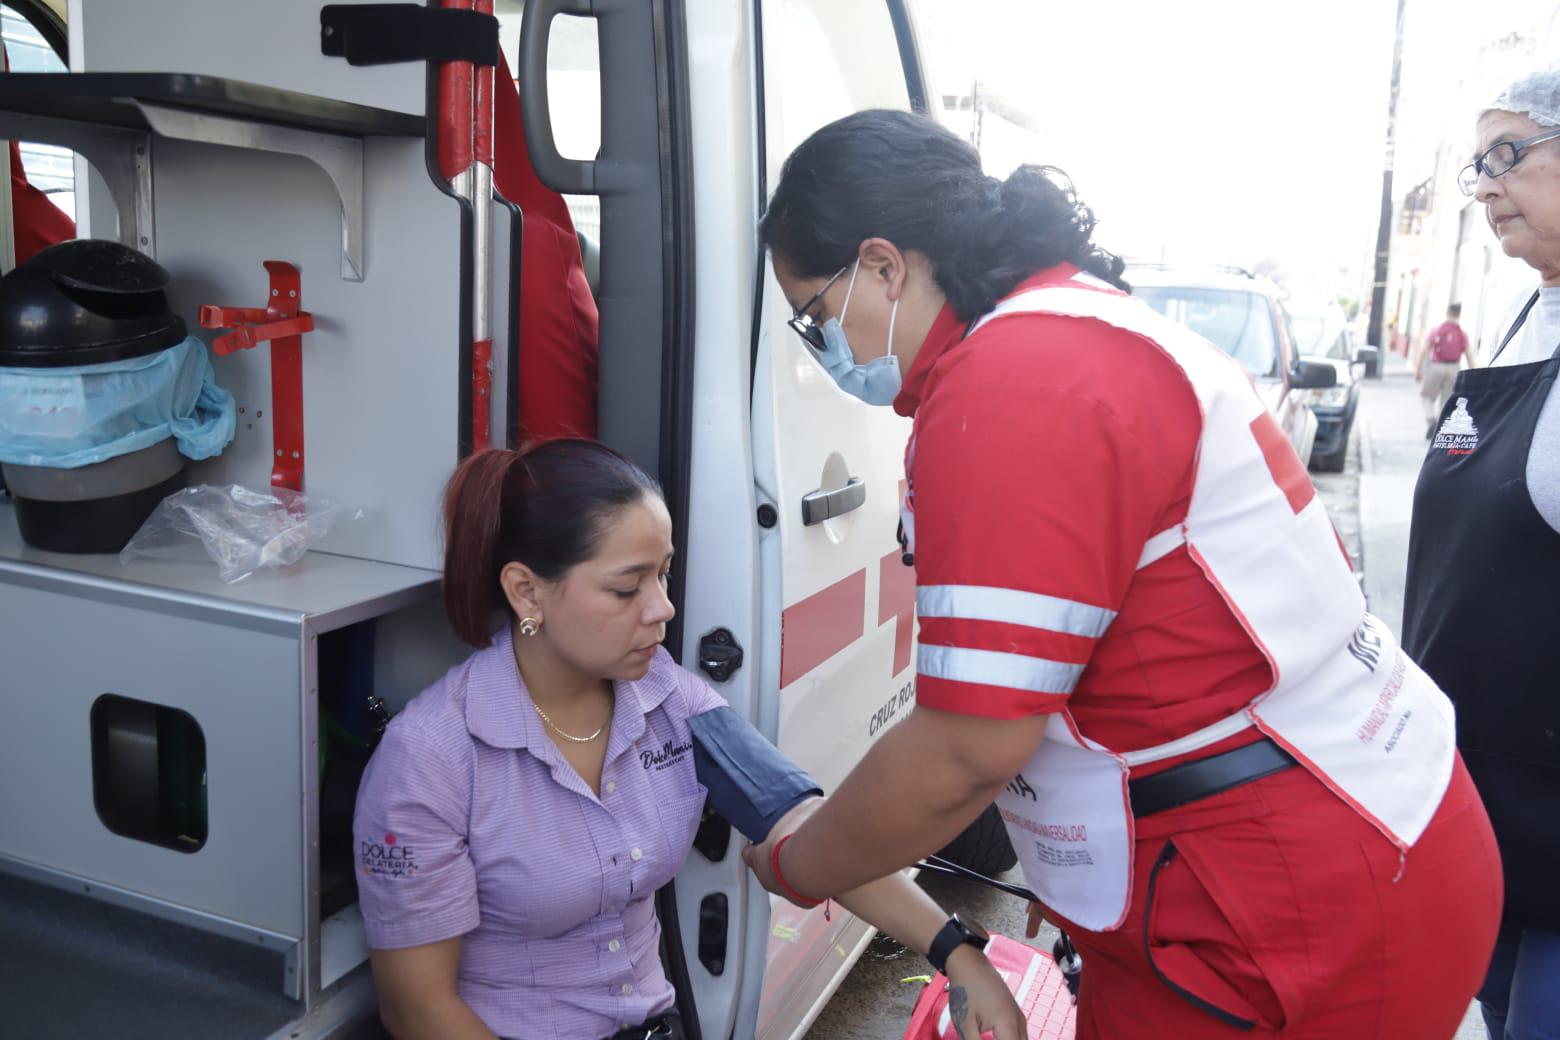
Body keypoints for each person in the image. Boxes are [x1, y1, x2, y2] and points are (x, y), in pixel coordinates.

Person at [744, 109, 1503, 1039]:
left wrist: (798, 866)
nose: (823, 348)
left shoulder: (1015, 381)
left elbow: (966, 749)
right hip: (1323, 849)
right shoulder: (1066, 326)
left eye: (817, 314)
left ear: (882, 266)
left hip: (1279, 911)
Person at [352, 439, 1026, 1040]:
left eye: (663, 574)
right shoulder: (431, 759)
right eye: (627, 589)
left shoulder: (668, 698)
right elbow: (419, 1011)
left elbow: (808, 827)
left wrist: (958, 954)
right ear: (527, 592)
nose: (663, 609)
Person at [1403, 61, 1560, 1040]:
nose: (1486, 185)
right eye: (1477, 165)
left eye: (1508, 153)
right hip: (1480, 808)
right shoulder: (1522, 318)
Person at [1418, 302, 1471, 438]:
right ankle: (1439, 425)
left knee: (1426, 396)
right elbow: (1469, 356)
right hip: (1454, 369)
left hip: (1436, 366)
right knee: (1447, 400)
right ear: (1459, 315)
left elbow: (1424, 351)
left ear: (1447, 313)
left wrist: (1418, 370)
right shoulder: (1462, 333)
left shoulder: (1436, 330)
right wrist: (1474, 375)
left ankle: (1431, 420)